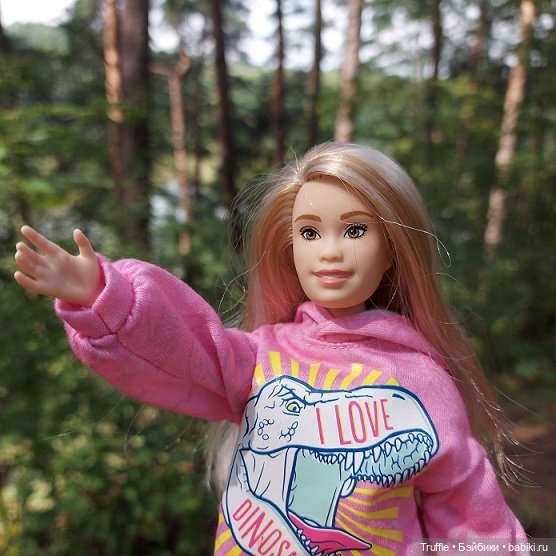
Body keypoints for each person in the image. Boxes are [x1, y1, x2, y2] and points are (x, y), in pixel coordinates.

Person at [14, 142, 527, 555]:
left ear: (392, 248)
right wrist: (104, 296)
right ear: (289, 245)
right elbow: (186, 347)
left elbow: (468, 512)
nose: (330, 251)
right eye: (309, 232)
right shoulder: (263, 356)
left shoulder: (422, 381)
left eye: (355, 230)